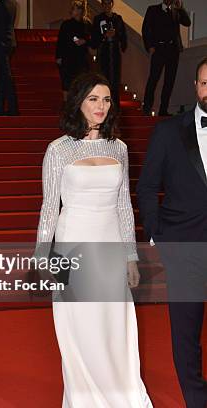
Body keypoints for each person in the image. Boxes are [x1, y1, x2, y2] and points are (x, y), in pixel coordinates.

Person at [35, 73, 153, 407]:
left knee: (114, 325)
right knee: (81, 326)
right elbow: (49, 207)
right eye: (92, 99)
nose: (100, 106)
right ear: (78, 103)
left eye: (105, 99)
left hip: (111, 246)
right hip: (74, 243)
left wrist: (131, 255)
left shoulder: (120, 147)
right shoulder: (58, 150)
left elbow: (124, 206)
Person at [136, 57, 207, 408]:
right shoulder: (168, 132)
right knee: (186, 334)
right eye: (206, 82)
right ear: (196, 87)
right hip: (185, 247)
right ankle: (196, 400)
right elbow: (148, 186)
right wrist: (157, 233)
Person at [141, 0, 190, 116]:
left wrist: (180, 9)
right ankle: (147, 108)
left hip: (173, 50)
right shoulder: (152, 9)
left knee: (169, 81)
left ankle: (163, 110)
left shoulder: (175, 11)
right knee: (153, 79)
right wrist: (150, 46)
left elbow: (187, 22)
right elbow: (146, 29)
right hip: (159, 49)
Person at [91, 0, 126, 106]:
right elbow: (94, 39)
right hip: (103, 53)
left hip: (114, 53)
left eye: (108, 3)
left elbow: (123, 36)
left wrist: (116, 34)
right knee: (103, 79)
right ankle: (103, 103)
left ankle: (114, 105)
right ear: (102, 5)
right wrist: (104, 36)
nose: (107, 6)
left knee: (115, 80)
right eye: (104, 4)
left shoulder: (117, 19)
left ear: (112, 4)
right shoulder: (98, 19)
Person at [55, 0, 91, 101]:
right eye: (73, 8)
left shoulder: (86, 24)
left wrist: (85, 40)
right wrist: (58, 56)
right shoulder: (66, 24)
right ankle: (67, 105)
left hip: (81, 58)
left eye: (75, 8)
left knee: (81, 82)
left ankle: (79, 105)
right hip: (68, 58)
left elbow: (93, 39)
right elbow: (60, 41)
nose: (72, 11)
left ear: (80, 10)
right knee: (66, 83)